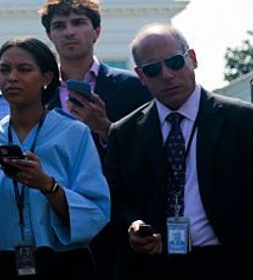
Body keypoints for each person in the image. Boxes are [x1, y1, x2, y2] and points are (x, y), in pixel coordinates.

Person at [0, 37, 110, 279]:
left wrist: (48, 185)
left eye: (24, 69)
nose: (12, 77)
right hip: (2, 265)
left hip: (65, 264)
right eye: (4, 70)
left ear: (46, 78)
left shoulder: (74, 134)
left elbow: (96, 211)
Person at [104, 24, 252, 278]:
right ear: (140, 76)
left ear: (192, 59)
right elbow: (118, 198)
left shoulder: (241, 119)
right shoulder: (124, 133)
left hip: (229, 261)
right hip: (156, 265)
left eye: (174, 62)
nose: (167, 75)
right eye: (153, 70)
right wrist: (134, 225)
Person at [38, 0, 150, 275]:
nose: (69, 32)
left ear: (96, 31)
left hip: (120, 220)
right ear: (50, 36)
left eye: (78, 22)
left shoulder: (133, 88)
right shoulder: (37, 94)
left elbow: (149, 155)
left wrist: (105, 127)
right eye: (59, 26)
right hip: (57, 219)